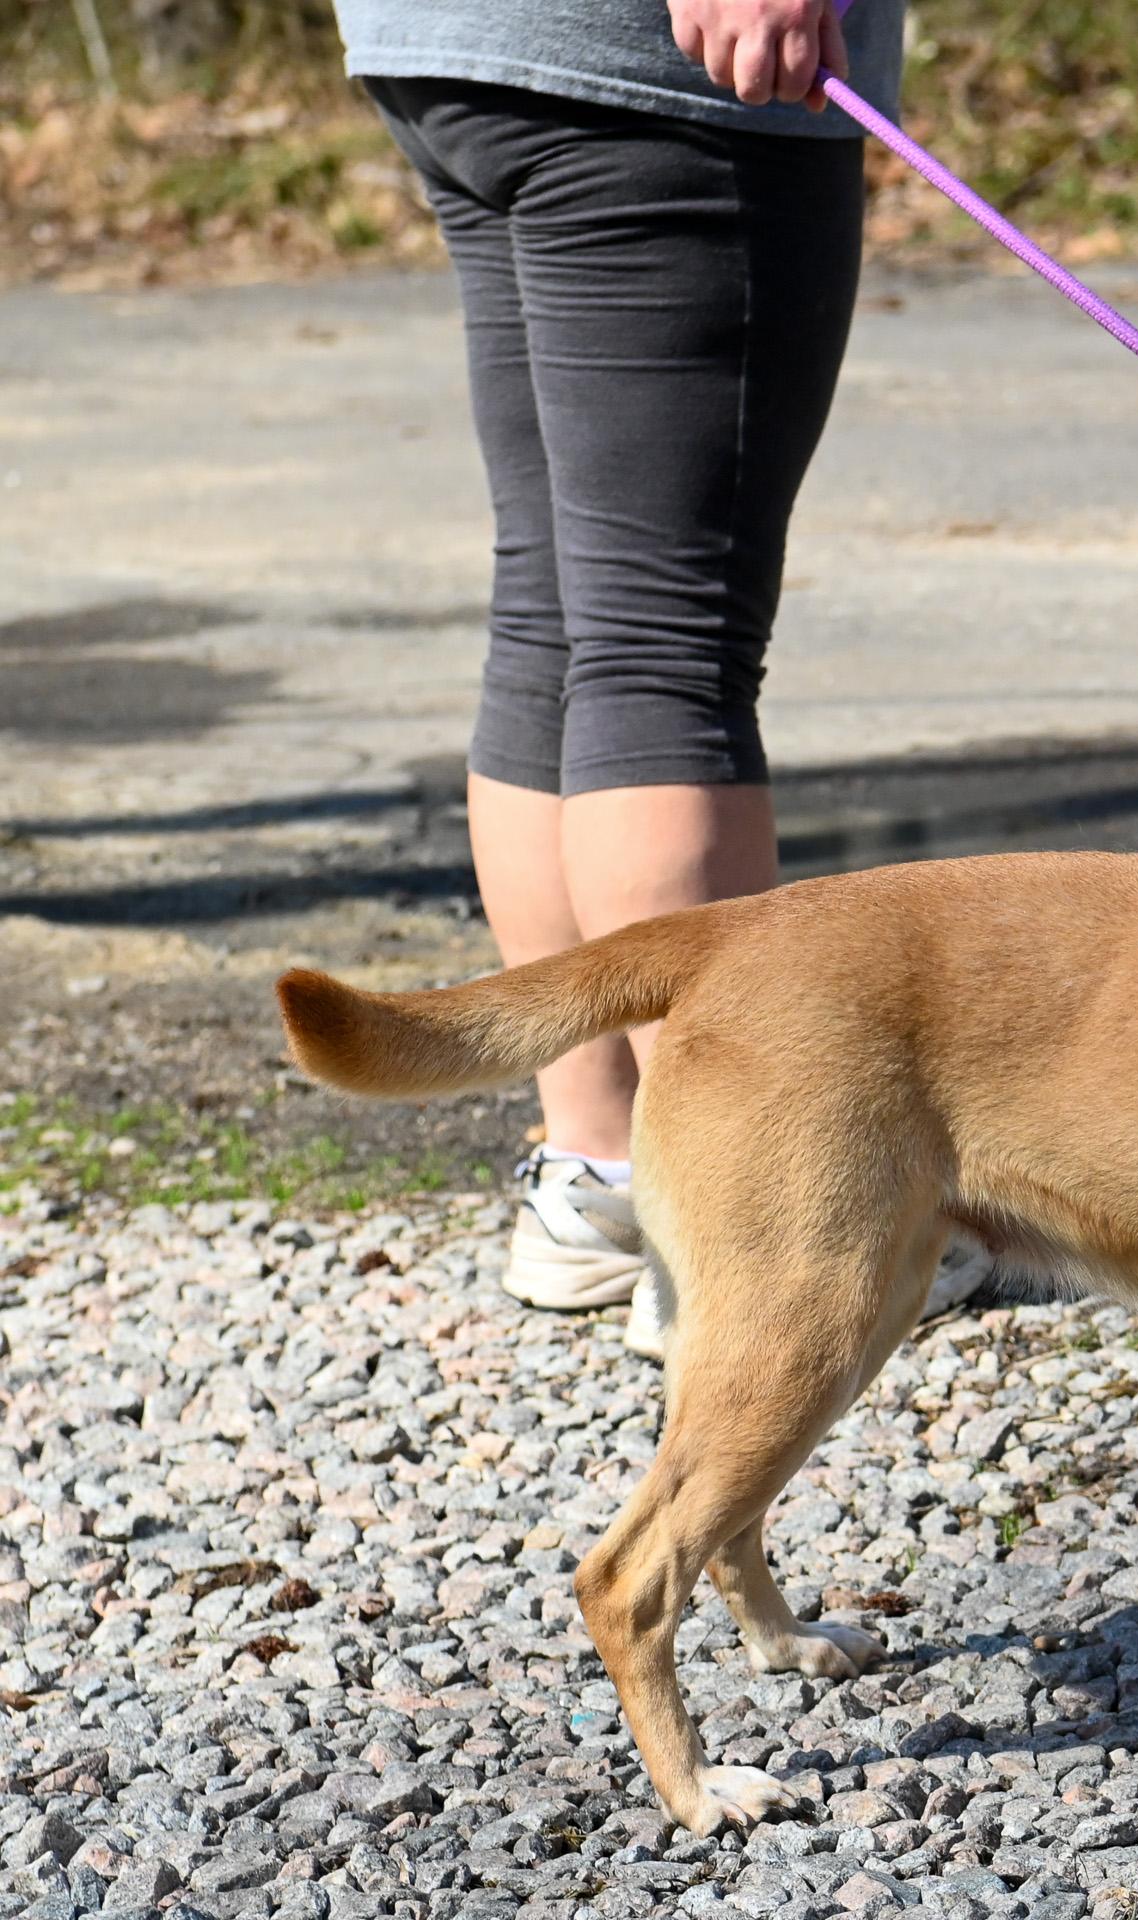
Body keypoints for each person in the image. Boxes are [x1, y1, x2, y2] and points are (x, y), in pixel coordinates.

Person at [330, 0, 961, 1356]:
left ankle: (605, 1178)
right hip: (654, 66)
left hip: (464, 45)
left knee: (569, 612)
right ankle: (733, 1231)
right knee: (666, 648)